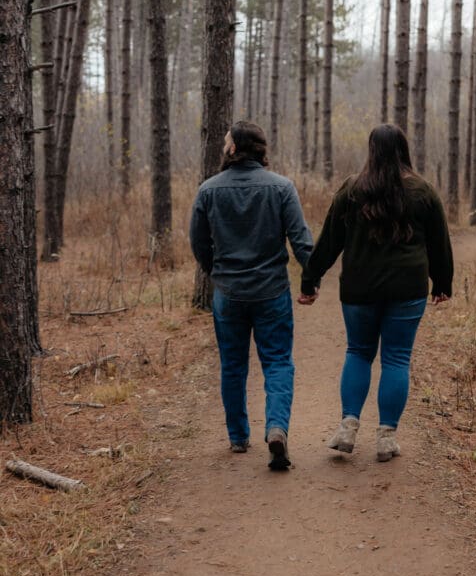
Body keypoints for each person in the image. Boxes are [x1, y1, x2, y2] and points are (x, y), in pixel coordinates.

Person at [298, 124, 453, 462]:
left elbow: (328, 242)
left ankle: (348, 427)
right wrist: (442, 284)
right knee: (396, 358)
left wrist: (310, 279)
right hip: (407, 289)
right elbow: (440, 242)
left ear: (371, 151)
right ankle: (386, 438)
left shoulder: (352, 190)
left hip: (360, 289)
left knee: (358, 353)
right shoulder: (423, 192)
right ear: (403, 150)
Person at [189, 120, 313, 471]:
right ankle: (276, 428)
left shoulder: (209, 190)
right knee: (277, 362)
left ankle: (238, 437)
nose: (224, 146)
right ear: (261, 150)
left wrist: (217, 272)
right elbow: (301, 240)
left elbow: (198, 242)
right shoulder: (282, 188)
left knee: (233, 365)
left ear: (233, 149)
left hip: (228, 293)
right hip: (271, 290)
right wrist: (310, 279)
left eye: (226, 141)